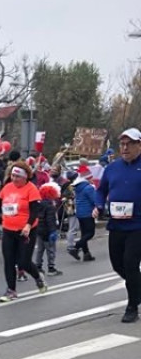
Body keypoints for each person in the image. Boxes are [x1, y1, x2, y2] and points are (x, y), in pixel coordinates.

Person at [93, 127, 141, 323]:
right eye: (122, 144)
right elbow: (100, 190)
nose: (125, 147)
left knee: (130, 263)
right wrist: (98, 205)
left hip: (138, 225)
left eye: (129, 144)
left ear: (139, 145)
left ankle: (132, 306)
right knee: (117, 264)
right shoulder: (112, 168)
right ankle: (137, 287)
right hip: (117, 224)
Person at [0, 162, 46, 302]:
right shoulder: (7, 188)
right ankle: (11, 290)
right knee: (9, 260)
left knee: (23, 262)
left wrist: (28, 225)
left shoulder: (31, 189)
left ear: (24, 177)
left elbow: (35, 210)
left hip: (25, 231)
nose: (14, 179)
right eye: (12, 175)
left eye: (17, 176)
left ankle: (37, 277)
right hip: (8, 229)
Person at [33, 183, 63, 276]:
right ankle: (51, 268)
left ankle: (38, 267)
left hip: (39, 229)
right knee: (51, 249)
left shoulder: (38, 204)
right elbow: (50, 220)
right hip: (48, 231)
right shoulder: (50, 207)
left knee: (40, 249)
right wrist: (53, 231)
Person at [69, 166, 97, 261]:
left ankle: (86, 254)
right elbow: (94, 200)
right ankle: (76, 248)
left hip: (80, 213)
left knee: (84, 233)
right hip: (88, 213)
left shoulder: (78, 187)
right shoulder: (88, 188)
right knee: (90, 233)